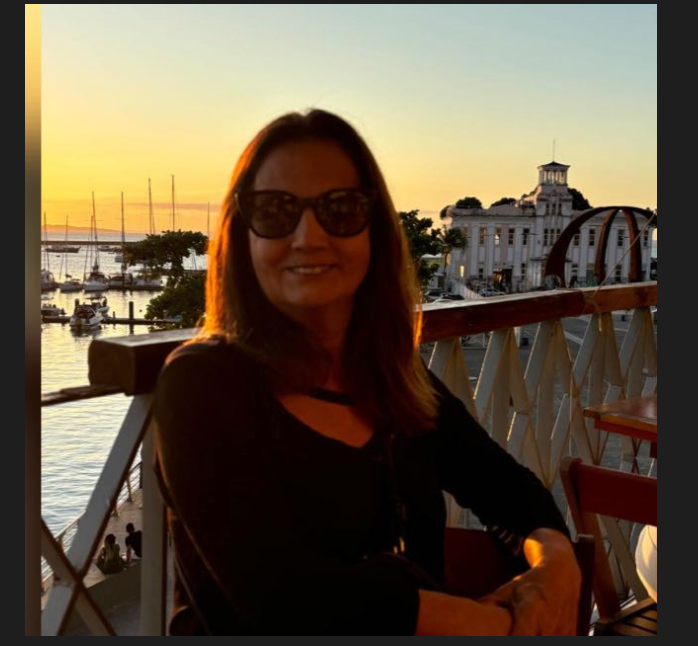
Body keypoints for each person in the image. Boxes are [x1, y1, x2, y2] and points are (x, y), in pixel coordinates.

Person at [154, 109, 580, 635]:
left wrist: (556, 563)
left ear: (375, 232)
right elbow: (280, 597)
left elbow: (506, 487)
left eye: (341, 209)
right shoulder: (202, 384)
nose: (308, 236)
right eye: (275, 210)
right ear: (243, 236)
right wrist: (491, 625)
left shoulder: (393, 380)